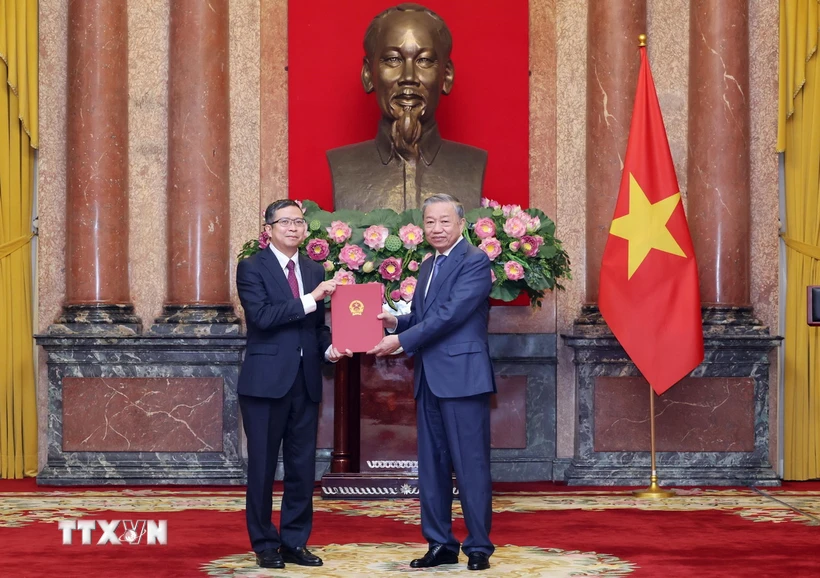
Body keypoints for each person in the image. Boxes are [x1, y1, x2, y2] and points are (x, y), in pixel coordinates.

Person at [368, 193, 495, 571]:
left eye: (444, 221)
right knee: (432, 467)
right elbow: (427, 315)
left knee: (470, 465)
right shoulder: (427, 265)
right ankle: (440, 543)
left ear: (461, 224)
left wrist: (401, 340)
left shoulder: (475, 261)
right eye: (430, 222)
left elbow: (451, 315)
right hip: (429, 378)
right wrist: (396, 321)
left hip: (463, 378)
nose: (437, 229)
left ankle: (478, 547)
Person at [236, 199, 352, 569]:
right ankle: (264, 544)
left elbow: (316, 328)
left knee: (302, 468)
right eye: (285, 222)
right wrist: (310, 299)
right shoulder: (251, 267)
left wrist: (330, 350)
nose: (293, 228)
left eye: (299, 222)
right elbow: (262, 317)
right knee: (263, 467)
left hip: (305, 382)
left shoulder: (314, 269)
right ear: (268, 229)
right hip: (265, 384)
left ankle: (294, 542)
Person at [327, 3, 486, 213]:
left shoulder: (472, 163)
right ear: (368, 74)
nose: (408, 77)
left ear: (446, 76)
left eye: (424, 60)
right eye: (393, 59)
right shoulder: (343, 165)